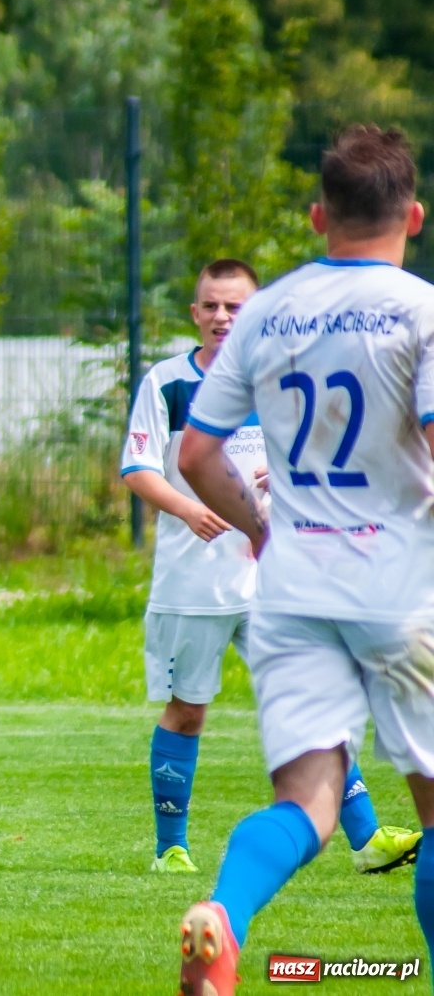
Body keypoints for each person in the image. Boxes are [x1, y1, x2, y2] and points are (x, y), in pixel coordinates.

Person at [174, 125, 434, 994]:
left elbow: (197, 457)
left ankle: (225, 916)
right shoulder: (421, 310)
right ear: (416, 216)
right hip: (399, 581)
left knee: (311, 803)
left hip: (291, 585)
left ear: (319, 214)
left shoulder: (270, 309)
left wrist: (261, 530)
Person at [122, 258, 418, 876]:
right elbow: (138, 468)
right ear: (194, 313)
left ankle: (365, 839)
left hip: (275, 576)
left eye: (236, 306)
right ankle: (169, 847)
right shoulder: (168, 383)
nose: (223, 317)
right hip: (194, 581)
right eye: (211, 305)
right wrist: (189, 506)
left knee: (317, 698)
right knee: (188, 709)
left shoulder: (282, 381)